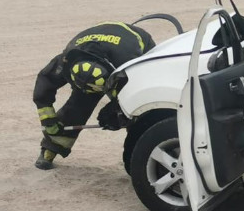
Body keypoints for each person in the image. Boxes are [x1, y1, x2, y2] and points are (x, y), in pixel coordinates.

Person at [33, 22, 155, 170]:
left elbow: (135, 92)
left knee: (137, 111)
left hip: (137, 48)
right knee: (78, 106)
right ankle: (51, 148)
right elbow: (44, 84)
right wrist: (48, 120)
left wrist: (115, 111)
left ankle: (142, 155)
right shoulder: (66, 58)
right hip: (100, 45)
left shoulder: (128, 62)